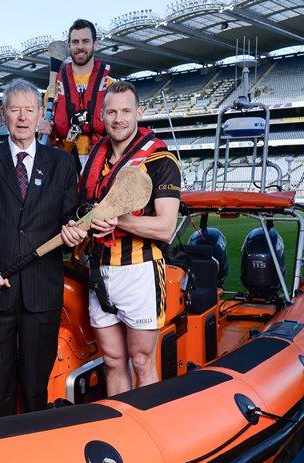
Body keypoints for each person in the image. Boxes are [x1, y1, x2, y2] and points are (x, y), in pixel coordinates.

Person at [0, 79, 83, 418]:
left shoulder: (63, 163)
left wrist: (74, 231)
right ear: (3, 114)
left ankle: (33, 452)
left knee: (36, 388)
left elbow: (72, 217)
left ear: (41, 115)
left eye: (30, 110)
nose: (23, 117)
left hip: (42, 292)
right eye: (15, 109)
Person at [78, 81, 181, 395]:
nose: (118, 118)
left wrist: (118, 221)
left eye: (125, 111)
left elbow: (165, 227)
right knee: (112, 360)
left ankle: (151, 434)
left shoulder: (161, 161)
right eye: (111, 111)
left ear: (139, 113)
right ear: (103, 116)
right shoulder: (93, 158)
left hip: (140, 271)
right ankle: (120, 433)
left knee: (141, 359)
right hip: (98, 271)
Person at [39, 18, 115, 169]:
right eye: (75, 42)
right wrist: (42, 131)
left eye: (85, 41)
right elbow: (47, 141)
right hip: (66, 168)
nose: (80, 47)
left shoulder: (110, 85)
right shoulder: (53, 89)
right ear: (68, 46)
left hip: (102, 166)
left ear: (95, 43)